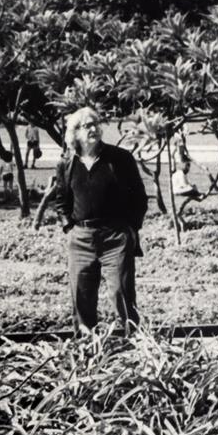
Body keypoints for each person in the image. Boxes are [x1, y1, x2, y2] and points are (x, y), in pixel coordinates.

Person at [54, 107, 149, 336]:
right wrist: (69, 227)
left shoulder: (120, 159)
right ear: (75, 132)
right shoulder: (67, 162)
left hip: (115, 236)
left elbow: (139, 197)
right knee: (81, 296)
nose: (93, 129)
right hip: (81, 238)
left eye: (95, 124)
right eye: (87, 125)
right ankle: (86, 344)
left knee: (121, 293)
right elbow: (61, 200)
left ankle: (134, 340)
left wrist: (131, 229)